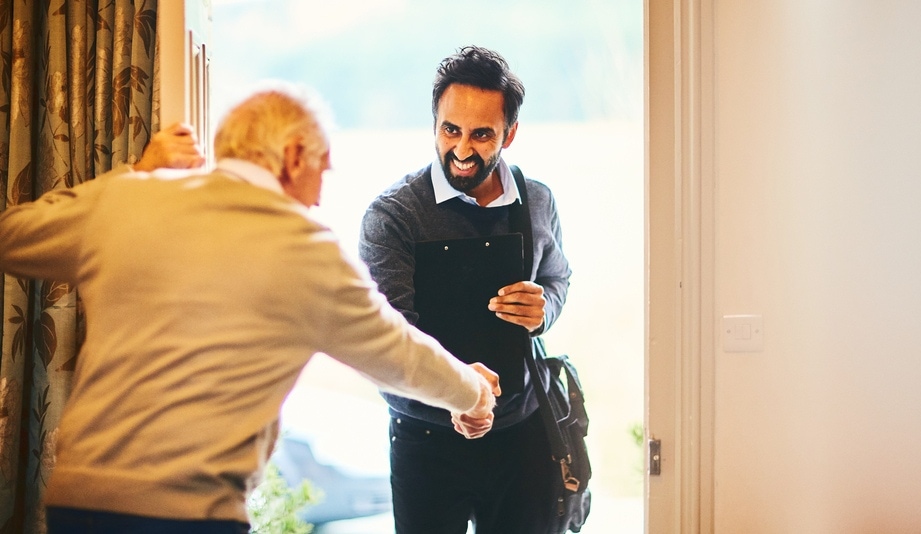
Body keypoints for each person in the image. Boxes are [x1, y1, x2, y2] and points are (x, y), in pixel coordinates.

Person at [0, 85, 501, 534]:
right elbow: (400, 355)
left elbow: (12, 235)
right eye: (321, 171)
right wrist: (474, 392)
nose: (321, 197)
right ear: (293, 155)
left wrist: (139, 175)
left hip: (77, 506)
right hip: (190, 516)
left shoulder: (128, 198)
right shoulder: (306, 249)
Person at [359, 45, 572, 533]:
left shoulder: (537, 200)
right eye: (450, 130)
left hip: (524, 435)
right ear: (434, 123)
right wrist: (461, 394)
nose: (461, 149)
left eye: (481, 134)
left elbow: (558, 278)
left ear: (510, 134)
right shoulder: (393, 216)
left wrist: (545, 309)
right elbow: (388, 340)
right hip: (426, 440)